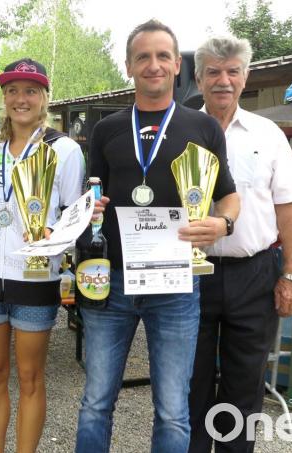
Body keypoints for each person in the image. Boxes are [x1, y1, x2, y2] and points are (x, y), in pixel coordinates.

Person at [75, 20, 240, 453]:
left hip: (176, 286)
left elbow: (228, 198)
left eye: (162, 56)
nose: (153, 65)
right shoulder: (107, 128)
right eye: (143, 57)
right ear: (129, 66)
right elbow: (91, 196)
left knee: (172, 409)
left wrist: (223, 224)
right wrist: (86, 211)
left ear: (176, 66)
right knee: (95, 401)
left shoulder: (203, 129)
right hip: (111, 283)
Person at [188, 36, 292, 453]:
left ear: (245, 78)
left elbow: (288, 210)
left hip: (253, 273)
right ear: (198, 78)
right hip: (190, 275)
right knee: (190, 379)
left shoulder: (268, 134)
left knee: (245, 383)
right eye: (213, 72)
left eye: (232, 71)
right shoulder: (179, 131)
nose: (223, 80)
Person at [0, 58, 84, 453]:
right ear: (3, 98)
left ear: (45, 97)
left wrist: (56, 238)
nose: (20, 98)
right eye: (12, 90)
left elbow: (73, 216)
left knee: (30, 377)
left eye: (30, 90)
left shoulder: (63, 149)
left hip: (34, 277)